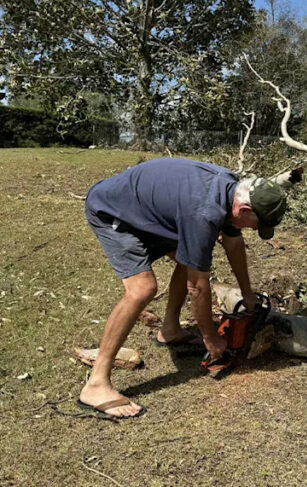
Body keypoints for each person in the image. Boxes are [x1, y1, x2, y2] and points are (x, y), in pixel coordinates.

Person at [78, 158, 287, 418]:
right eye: (258, 224)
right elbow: (197, 287)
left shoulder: (231, 190)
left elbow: (233, 244)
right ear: (244, 210)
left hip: (147, 207)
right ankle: (96, 384)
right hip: (112, 209)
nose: (256, 229)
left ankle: (170, 330)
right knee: (142, 288)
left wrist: (247, 293)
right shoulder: (203, 213)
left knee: (185, 257)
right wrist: (211, 338)